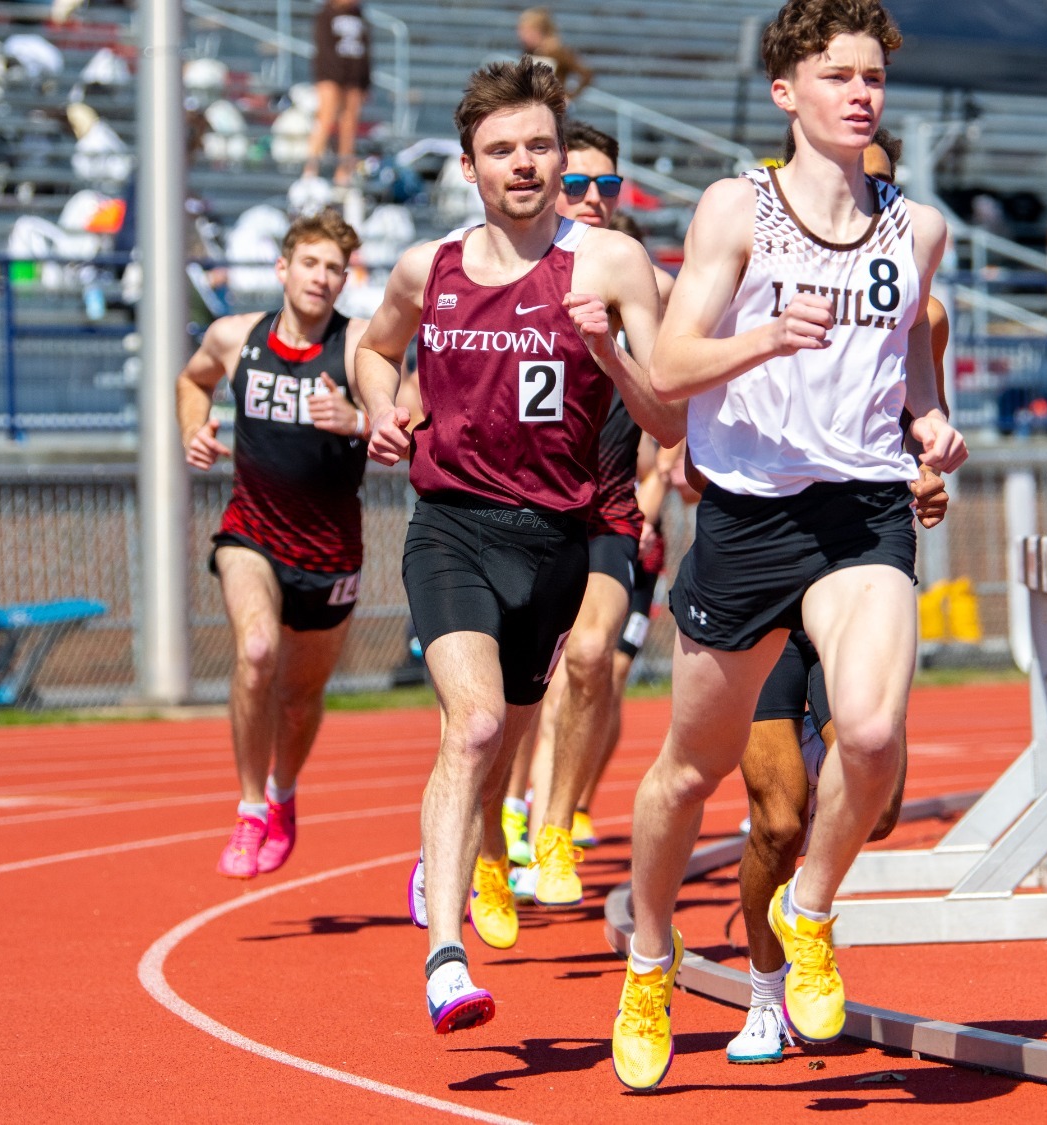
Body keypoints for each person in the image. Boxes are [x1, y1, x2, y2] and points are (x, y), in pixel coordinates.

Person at [611, 0, 962, 1090]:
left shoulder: (920, 228)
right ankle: (649, 955)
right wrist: (764, 333)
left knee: (867, 732)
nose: (859, 94)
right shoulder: (736, 210)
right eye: (836, 76)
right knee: (686, 774)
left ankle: (807, 909)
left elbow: (909, 364)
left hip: (860, 510)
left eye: (871, 76)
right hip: (747, 516)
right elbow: (665, 374)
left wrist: (928, 420)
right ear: (785, 93)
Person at [350, 58, 679, 1036]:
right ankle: (444, 955)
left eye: (539, 145)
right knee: (477, 727)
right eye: (503, 150)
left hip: (554, 541)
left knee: (519, 727)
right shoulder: (427, 268)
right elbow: (374, 347)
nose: (525, 164)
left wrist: (610, 349)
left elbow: (666, 412)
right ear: (468, 167)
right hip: (449, 525)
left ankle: (504, 845)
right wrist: (378, 409)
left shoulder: (614, 267)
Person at [725, 130, 952, 1065]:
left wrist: (930, 469)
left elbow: (924, 419)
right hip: (769, 557)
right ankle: (766, 986)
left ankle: (807, 907)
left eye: (883, 200)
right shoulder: (766, 269)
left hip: (862, 558)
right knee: (777, 816)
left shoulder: (919, 314)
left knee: (882, 798)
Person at [501, 120, 681, 906]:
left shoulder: (646, 282)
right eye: (578, 185)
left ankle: (554, 822)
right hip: (513, 513)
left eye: (608, 186)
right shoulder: (502, 271)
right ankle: (491, 821)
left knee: (592, 660)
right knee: (513, 691)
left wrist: (688, 457)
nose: (595, 199)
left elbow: (688, 378)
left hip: (609, 510)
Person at [176, 209, 372, 880]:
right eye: (311, 264)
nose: (322, 278)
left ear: (346, 279)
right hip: (251, 533)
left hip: (330, 554)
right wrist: (193, 428)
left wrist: (359, 420)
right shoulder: (235, 336)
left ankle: (284, 792)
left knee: (297, 695)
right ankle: (249, 805)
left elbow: (413, 423)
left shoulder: (358, 347)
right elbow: (191, 379)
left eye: (335, 269)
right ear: (283, 268)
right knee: (256, 650)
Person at [305, 0, 372, 188]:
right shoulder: (325, 14)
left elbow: (366, 50)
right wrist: (335, 75)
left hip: (354, 78)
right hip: (331, 75)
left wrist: (365, 81)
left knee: (349, 124)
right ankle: (311, 169)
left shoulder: (359, 16)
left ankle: (343, 172)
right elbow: (324, 50)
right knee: (325, 119)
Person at [517, 9, 593, 101]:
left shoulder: (558, 52)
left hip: (553, 106)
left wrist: (569, 96)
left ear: (539, 32)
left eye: (527, 32)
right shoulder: (527, 52)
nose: (522, 36)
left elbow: (586, 73)